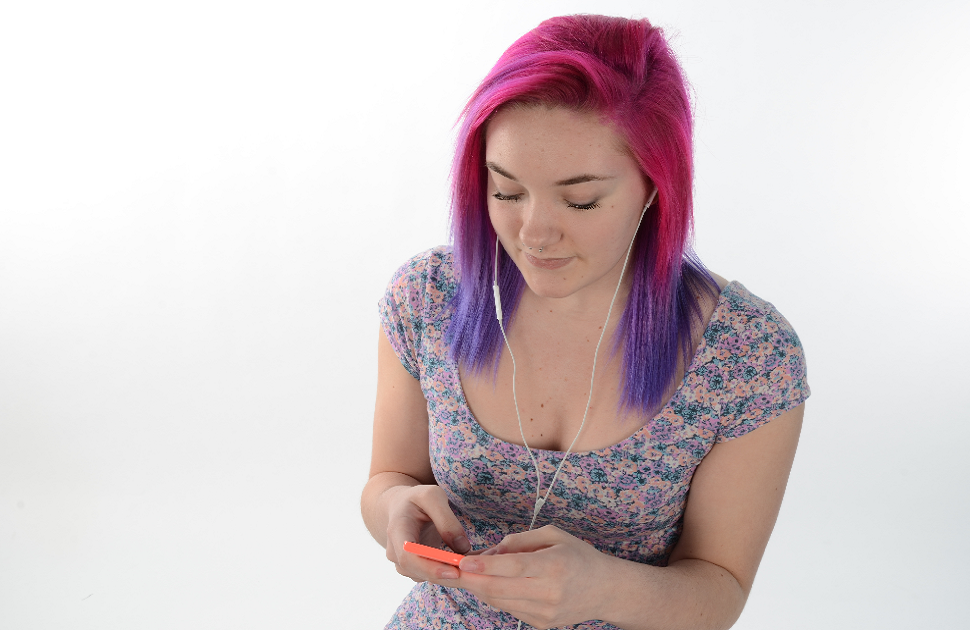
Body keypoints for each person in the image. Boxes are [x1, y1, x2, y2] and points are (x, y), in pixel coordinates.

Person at [361, 14, 809, 630]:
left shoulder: (745, 355)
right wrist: (394, 510)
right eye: (507, 191)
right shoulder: (428, 298)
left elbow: (719, 589)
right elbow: (389, 477)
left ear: (656, 185)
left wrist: (603, 590)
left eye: (580, 200)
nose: (534, 233)